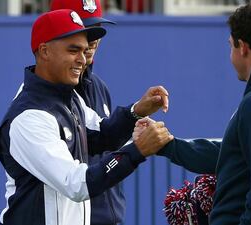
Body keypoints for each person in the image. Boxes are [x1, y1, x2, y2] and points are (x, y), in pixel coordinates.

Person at [134, 3, 251, 225]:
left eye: (231, 46)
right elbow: (232, 154)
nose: (230, 55)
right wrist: (167, 145)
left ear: (243, 47)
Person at [0, 9, 173, 225]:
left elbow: (102, 136)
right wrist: (137, 150)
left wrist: (136, 111)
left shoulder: (68, 98)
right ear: (44, 51)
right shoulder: (29, 116)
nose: (82, 59)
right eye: (73, 50)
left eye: (84, 50)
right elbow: (77, 184)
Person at [49, 1, 166, 224]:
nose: (93, 40)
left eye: (98, 29)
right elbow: (75, 173)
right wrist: (136, 148)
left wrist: (135, 119)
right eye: (85, 29)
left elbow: (104, 138)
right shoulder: (43, 101)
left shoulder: (98, 86)